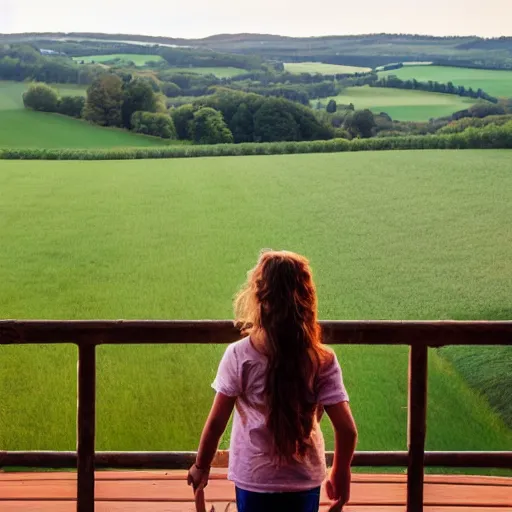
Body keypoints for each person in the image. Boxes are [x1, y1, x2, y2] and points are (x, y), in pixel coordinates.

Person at [188, 250, 357, 512]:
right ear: (307, 300)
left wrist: (201, 466)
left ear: (258, 298)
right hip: (304, 480)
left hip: (254, 480)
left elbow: (217, 422)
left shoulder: (240, 355)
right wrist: (341, 472)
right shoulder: (321, 359)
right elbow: (346, 429)